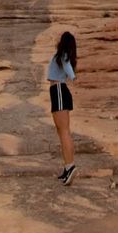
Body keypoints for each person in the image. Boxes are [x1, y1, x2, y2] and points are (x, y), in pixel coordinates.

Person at [47, 30, 77, 185]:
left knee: (64, 131)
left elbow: (68, 69)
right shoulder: (61, 54)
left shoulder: (63, 54)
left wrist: (73, 77)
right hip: (56, 91)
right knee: (61, 131)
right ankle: (67, 168)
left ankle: (71, 166)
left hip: (59, 90)